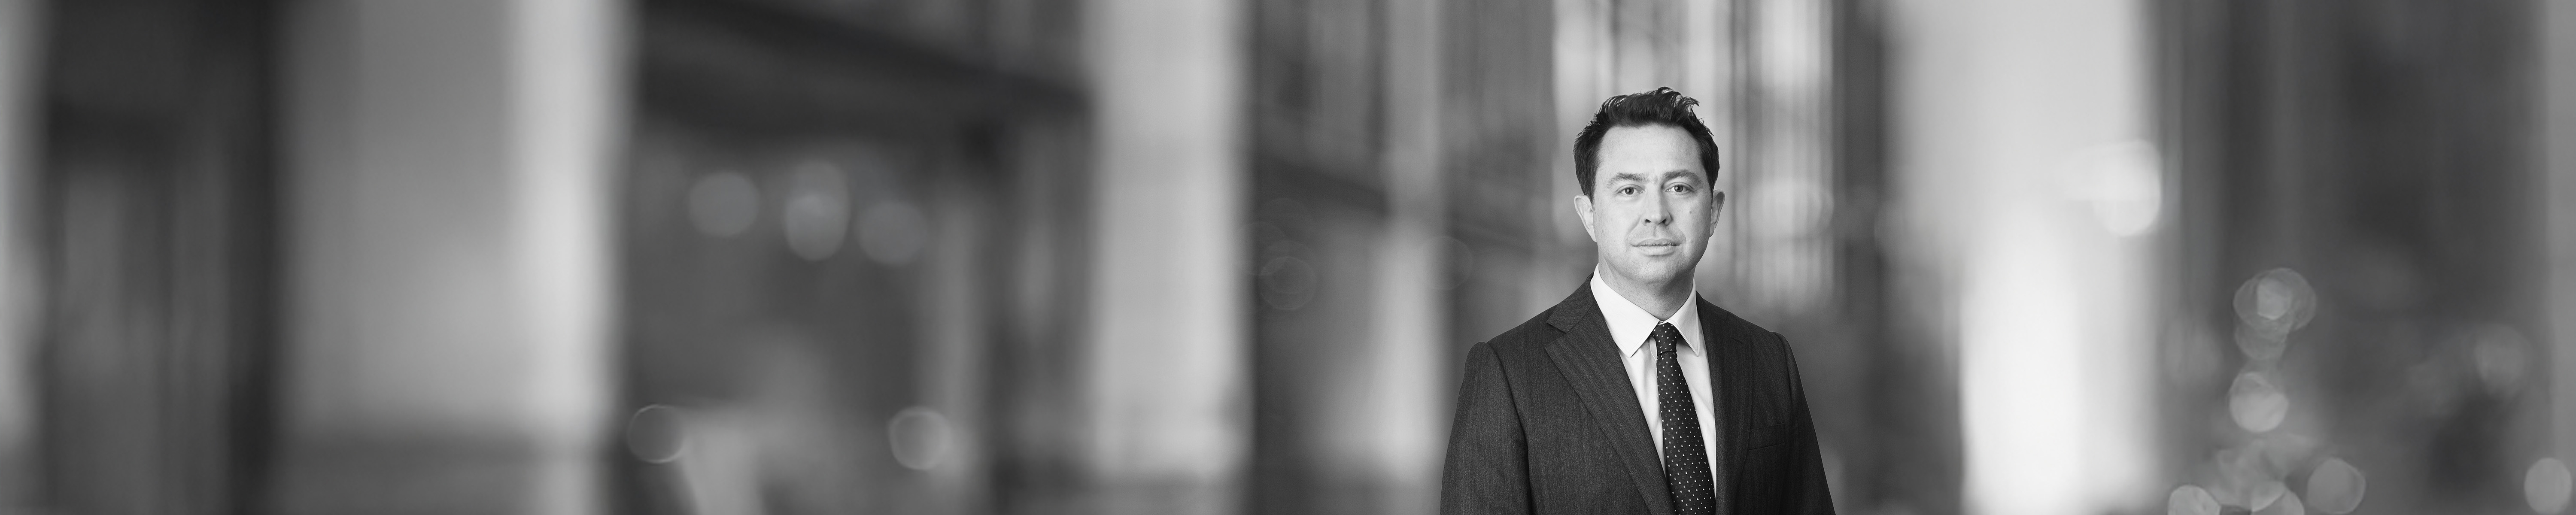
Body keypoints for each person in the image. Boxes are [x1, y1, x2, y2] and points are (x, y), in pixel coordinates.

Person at [1441, 87, 1834, 515]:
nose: (1657, 213)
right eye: (1629, 190)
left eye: (1680, 187)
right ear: (1589, 215)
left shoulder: (1768, 361)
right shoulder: (1509, 373)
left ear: (1714, 211)